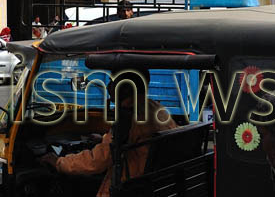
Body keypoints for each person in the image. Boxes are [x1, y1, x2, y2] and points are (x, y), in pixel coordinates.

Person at [41, 71, 175, 197]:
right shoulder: (156, 109)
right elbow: (131, 141)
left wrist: (60, 162)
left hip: (128, 187)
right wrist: (105, 139)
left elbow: (97, 161)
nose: (108, 86)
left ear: (125, 88)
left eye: (113, 81)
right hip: (151, 184)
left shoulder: (128, 116)